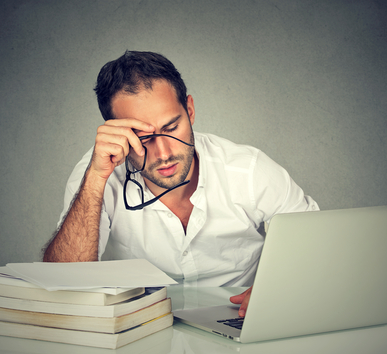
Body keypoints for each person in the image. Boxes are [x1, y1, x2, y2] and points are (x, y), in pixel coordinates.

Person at [43, 51, 319, 316]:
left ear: (189, 110)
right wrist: (96, 179)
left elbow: (319, 247)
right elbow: (65, 282)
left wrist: (279, 287)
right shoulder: (95, 174)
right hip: (137, 328)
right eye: (142, 137)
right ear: (116, 132)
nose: (164, 154)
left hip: (239, 323)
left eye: (172, 127)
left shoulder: (248, 169)